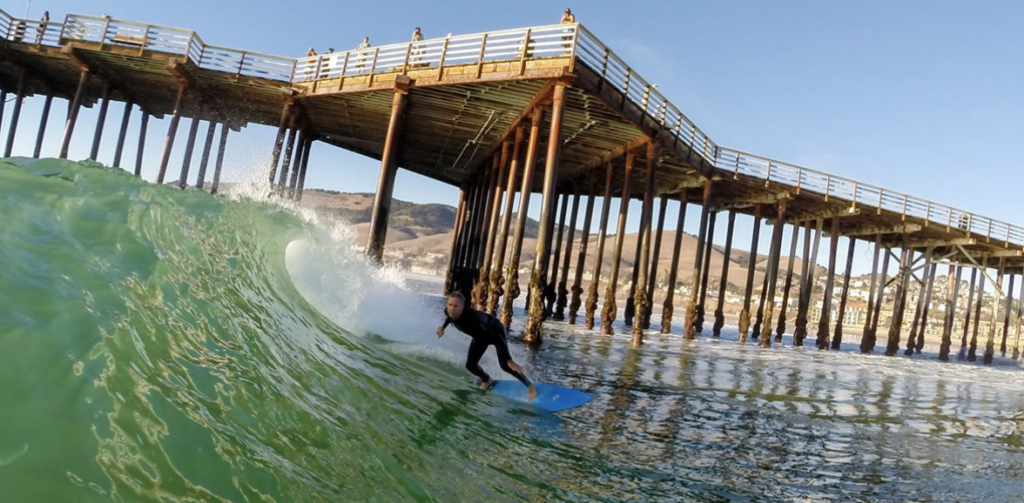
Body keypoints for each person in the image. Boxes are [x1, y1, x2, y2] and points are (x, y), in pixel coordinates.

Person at [437, 292, 537, 400]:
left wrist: (509, 359)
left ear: (462, 307)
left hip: (494, 331)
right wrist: (443, 327)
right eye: (450, 305)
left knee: (505, 365)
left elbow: (496, 337)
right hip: (480, 336)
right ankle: (487, 380)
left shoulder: (473, 320)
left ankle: (530, 386)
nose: (452, 309)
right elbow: (450, 317)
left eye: (456, 306)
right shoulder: (448, 311)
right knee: (470, 365)